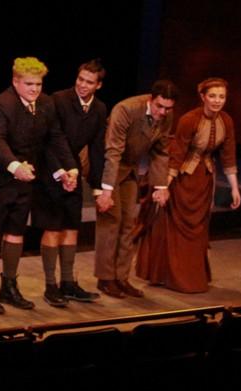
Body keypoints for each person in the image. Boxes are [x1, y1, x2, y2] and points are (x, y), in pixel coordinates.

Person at [0, 57, 77, 314]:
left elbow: (55, 136)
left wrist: (69, 168)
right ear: (15, 81)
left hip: (27, 178)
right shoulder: (2, 104)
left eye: (38, 84)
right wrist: (14, 166)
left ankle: (8, 286)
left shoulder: (45, 103)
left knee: (16, 232)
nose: (34, 89)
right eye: (29, 84)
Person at [136, 77, 240, 293]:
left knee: (198, 231)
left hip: (204, 180)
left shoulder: (227, 121)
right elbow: (176, 155)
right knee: (175, 229)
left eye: (221, 96)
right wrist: (164, 187)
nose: (217, 101)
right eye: (212, 96)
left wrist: (235, 188)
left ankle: (193, 275)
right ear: (203, 97)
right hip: (182, 181)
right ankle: (171, 276)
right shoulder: (189, 119)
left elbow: (229, 157)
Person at [32, 59, 108, 306]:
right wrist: (61, 172)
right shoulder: (58, 99)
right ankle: (51, 286)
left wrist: (97, 187)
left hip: (74, 170)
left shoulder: (99, 108)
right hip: (50, 168)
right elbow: (49, 140)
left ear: (99, 85)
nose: (83, 85)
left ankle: (68, 283)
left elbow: (97, 149)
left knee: (71, 226)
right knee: (53, 227)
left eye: (89, 82)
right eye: (81, 79)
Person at [94, 80, 178, 298]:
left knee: (129, 222)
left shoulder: (167, 116)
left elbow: (160, 151)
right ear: (151, 99)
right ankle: (105, 278)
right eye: (159, 106)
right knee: (111, 220)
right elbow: (112, 151)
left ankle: (121, 278)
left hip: (129, 168)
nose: (163, 112)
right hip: (107, 166)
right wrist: (105, 190)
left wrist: (160, 185)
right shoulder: (126, 109)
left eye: (168, 108)